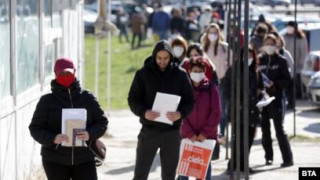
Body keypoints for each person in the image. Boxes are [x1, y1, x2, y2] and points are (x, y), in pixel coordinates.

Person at [29, 57, 108, 180]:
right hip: (55, 160)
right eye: (61, 73)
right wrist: (53, 138)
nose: (65, 75)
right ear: (55, 74)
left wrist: (90, 134)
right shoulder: (47, 101)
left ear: (74, 72)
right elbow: (35, 128)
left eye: (68, 73)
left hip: (84, 159)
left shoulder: (88, 98)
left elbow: (102, 122)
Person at [128, 40, 195, 180]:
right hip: (149, 132)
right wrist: (144, 112)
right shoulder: (143, 74)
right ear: (154, 56)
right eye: (159, 58)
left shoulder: (181, 75)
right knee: (140, 174)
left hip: (172, 133)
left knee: (169, 176)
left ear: (171, 57)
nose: (162, 62)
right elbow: (133, 99)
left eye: (166, 58)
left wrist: (180, 114)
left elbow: (190, 100)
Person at [179, 57, 221, 180]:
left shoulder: (212, 88)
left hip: (206, 138)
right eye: (194, 71)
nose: (197, 73)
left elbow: (216, 113)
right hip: (188, 137)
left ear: (204, 71)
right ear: (189, 71)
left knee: (204, 170)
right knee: (184, 171)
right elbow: (179, 113)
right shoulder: (184, 89)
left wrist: (204, 133)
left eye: (200, 71)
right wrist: (189, 133)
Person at [224, 46, 264, 173]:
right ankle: (233, 164)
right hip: (238, 111)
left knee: (249, 140)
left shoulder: (256, 72)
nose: (248, 59)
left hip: (252, 111)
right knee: (237, 139)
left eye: (251, 56)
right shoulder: (233, 71)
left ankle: (243, 164)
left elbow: (261, 88)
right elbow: (226, 90)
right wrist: (237, 102)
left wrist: (262, 95)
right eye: (246, 55)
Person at [259, 34, 294, 167]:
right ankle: (268, 157)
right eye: (266, 43)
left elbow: (287, 81)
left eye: (271, 43)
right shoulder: (259, 60)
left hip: (276, 98)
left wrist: (275, 83)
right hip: (262, 100)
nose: (269, 46)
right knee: (264, 129)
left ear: (276, 45)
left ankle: (287, 158)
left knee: (279, 129)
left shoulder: (281, 60)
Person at [201, 23, 232, 142]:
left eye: (215, 32)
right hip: (206, 82)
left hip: (222, 81)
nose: (212, 35)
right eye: (210, 32)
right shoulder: (203, 47)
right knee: (207, 109)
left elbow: (231, 63)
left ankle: (222, 133)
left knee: (221, 108)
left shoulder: (224, 47)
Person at [282, 21, 308, 99]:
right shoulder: (285, 36)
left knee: (297, 80)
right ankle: (290, 95)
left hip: (297, 63)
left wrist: (301, 62)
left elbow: (303, 51)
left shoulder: (300, 37)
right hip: (287, 62)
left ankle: (298, 94)